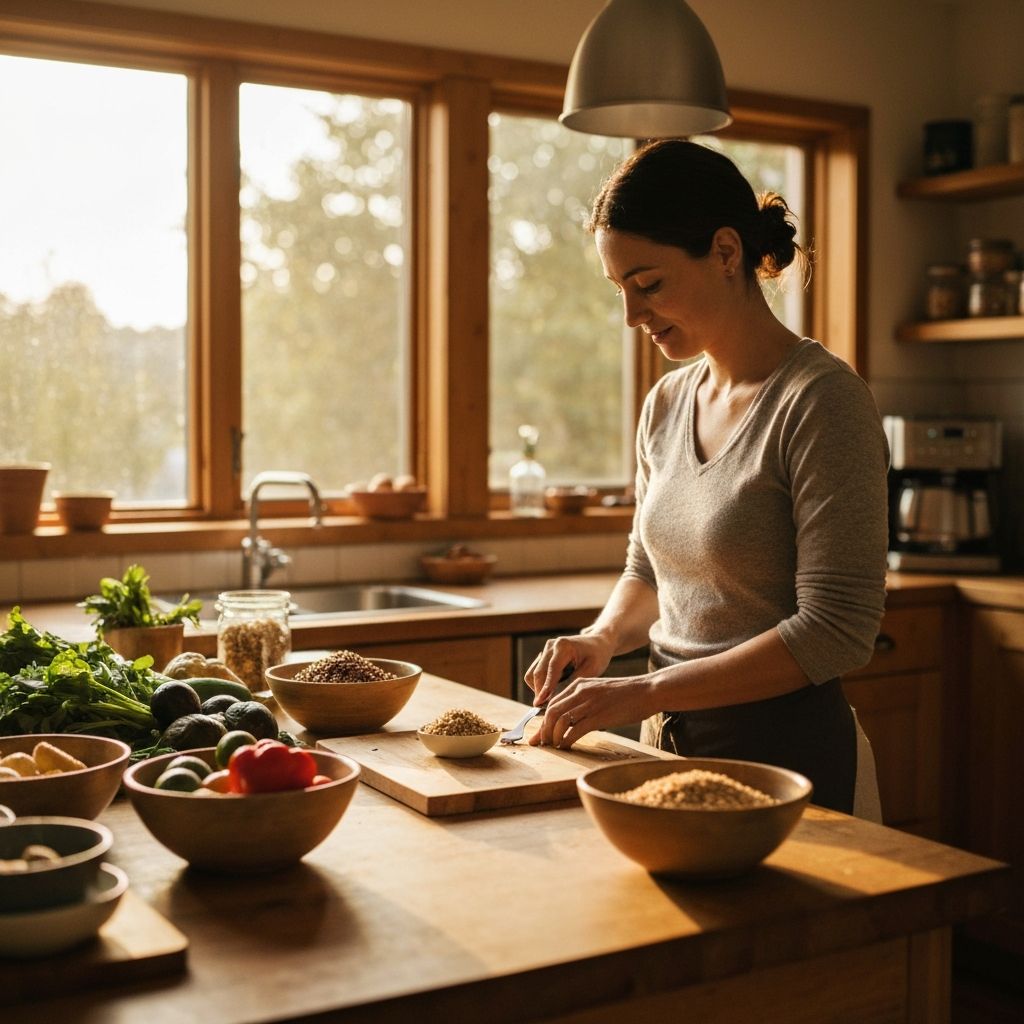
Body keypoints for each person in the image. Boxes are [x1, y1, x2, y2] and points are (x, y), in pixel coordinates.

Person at [525, 139, 888, 816]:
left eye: (649, 284)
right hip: (666, 750)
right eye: (620, 290)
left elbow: (836, 631)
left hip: (789, 765)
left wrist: (647, 692)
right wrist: (603, 639)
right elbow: (649, 572)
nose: (632, 315)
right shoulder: (665, 403)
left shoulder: (821, 402)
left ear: (726, 253)